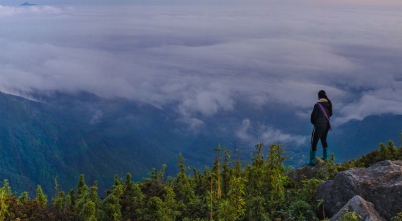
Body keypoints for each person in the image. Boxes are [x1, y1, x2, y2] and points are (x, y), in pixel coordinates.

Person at [307, 90, 332, 166]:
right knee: (324, 140)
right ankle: (325, 157)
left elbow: (313, 117)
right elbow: (330, 114)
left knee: (313, 142)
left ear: (319, 96)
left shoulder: (317, 105)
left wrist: (315, 123)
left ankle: (312, 161)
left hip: (318, 126)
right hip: (326, 125)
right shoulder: (328, 103)